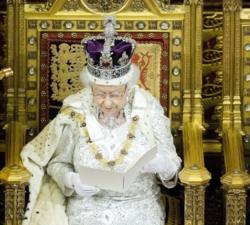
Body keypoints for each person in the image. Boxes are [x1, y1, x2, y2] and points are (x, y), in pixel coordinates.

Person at [20, 16, 181, 225]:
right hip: (86, 209)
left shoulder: (148, 111)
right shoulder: (76, 111)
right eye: (99, 94)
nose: (106, 102)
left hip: (138, 209)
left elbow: (172, 167)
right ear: (90, 88)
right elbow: (57, 163)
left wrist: (163, 165)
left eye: (114, 95)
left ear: (128, 88)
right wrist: (71, 180)